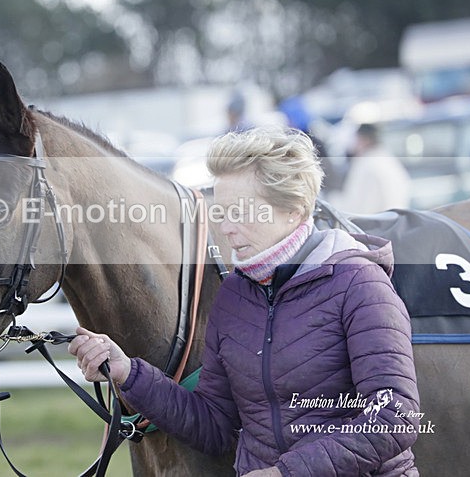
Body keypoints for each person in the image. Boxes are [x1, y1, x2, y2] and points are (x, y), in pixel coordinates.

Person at [69, 125, 420, 476]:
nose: (226, 227)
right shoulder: (236, 293)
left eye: (242, 211)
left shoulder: (361, 284)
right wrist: (128, 372)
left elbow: (395, 417)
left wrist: (286, 473)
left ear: (295, 210)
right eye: (221, 213)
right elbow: (215, 425)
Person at [328, 123, 411, 214]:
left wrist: (330, 199)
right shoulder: (388, 159)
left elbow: (353, 207)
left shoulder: (365, 164)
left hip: (375, 224)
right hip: (394, 222)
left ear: (363, 140)